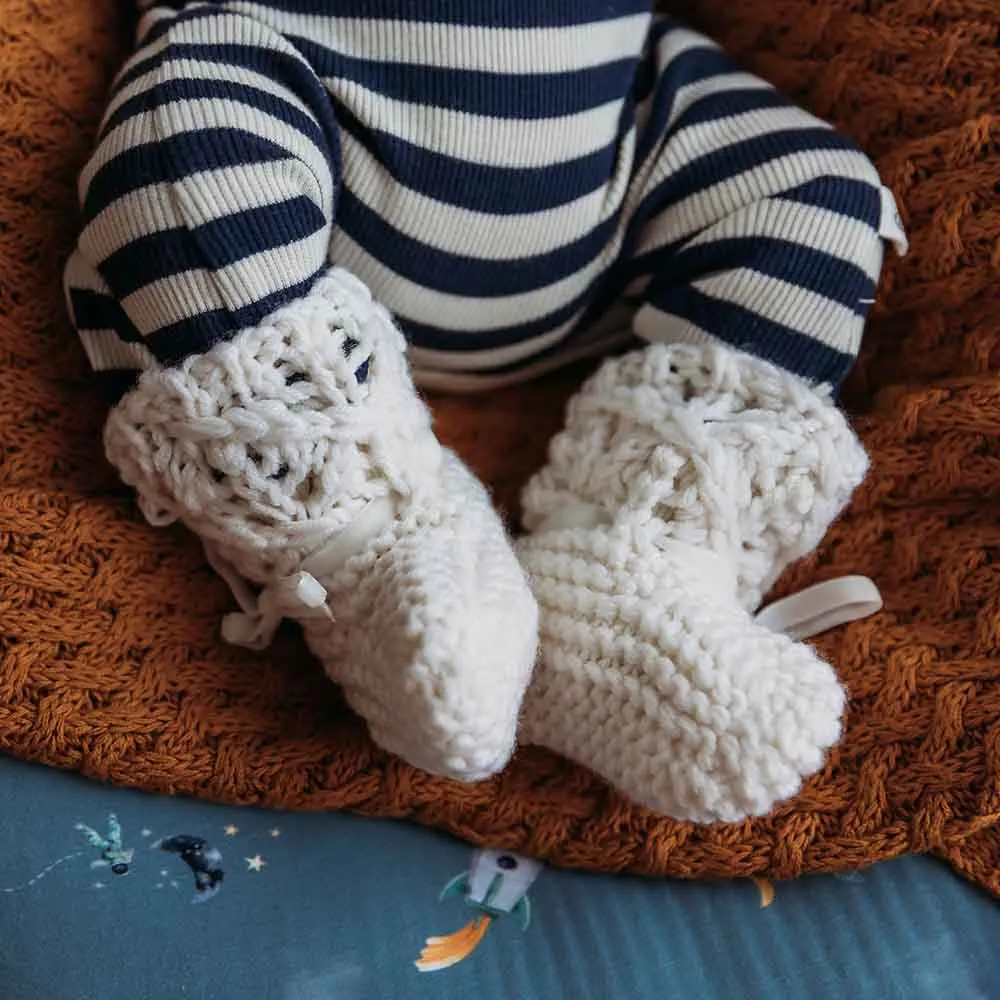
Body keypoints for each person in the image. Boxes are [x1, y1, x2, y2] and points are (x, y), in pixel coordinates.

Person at [64, 0, 907, 823]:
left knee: (820, 193)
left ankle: (642, 554)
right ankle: (363, 532)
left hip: (623, 148)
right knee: (179, 164)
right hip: (300, 101)